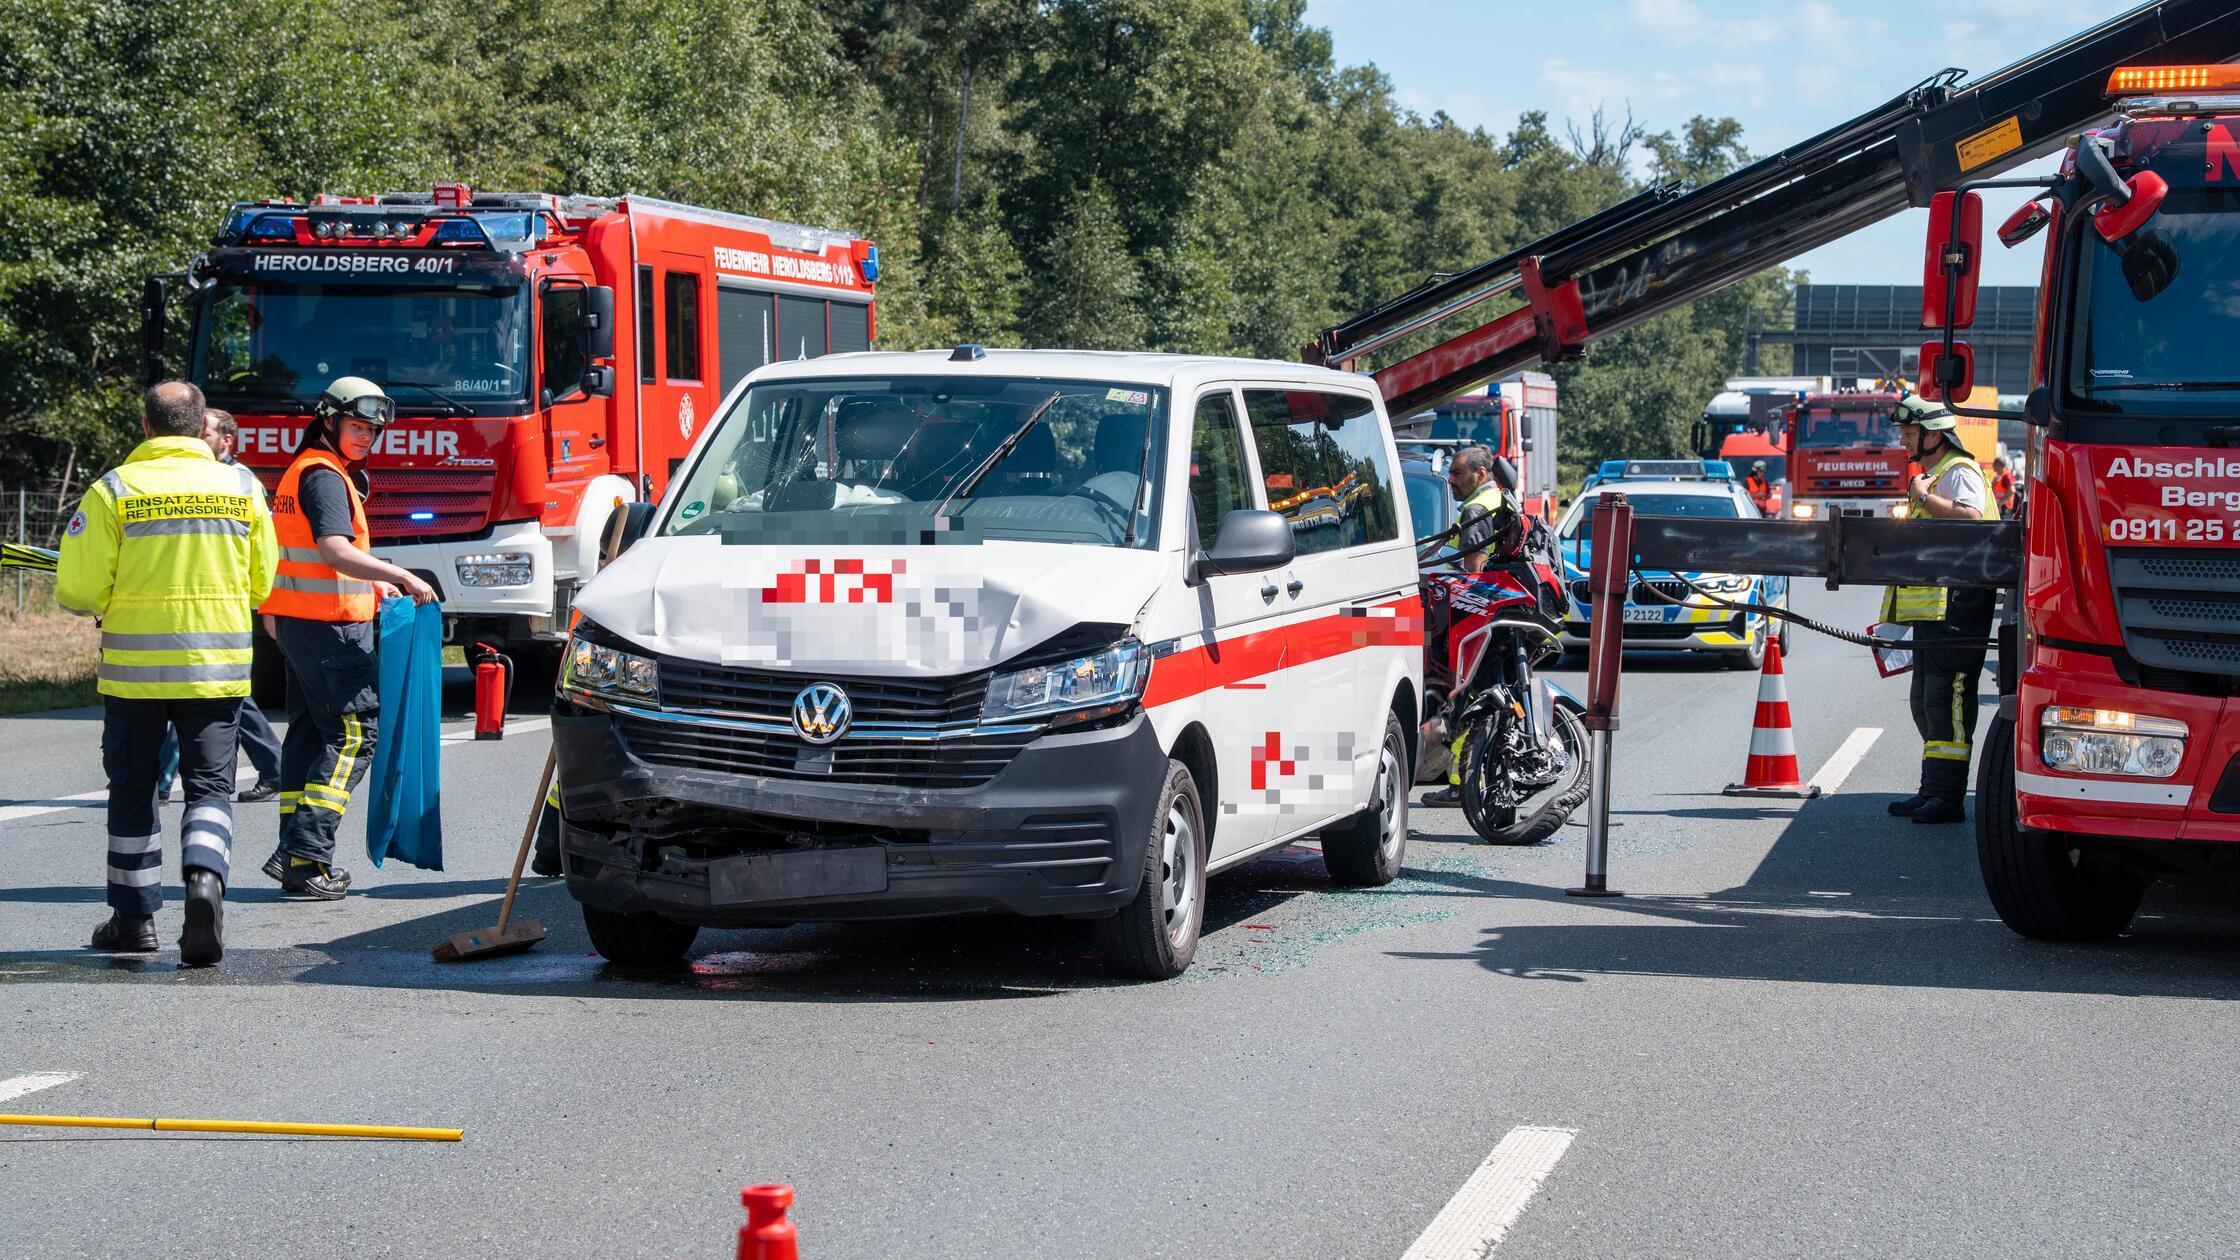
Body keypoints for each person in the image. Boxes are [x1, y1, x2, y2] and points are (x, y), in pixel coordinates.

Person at [55, 381, 277, 965]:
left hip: (135, 675)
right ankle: (204, 883)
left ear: (147, 427)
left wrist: (110, 600)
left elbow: (76, 588)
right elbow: (261, 581)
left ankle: (134, 923)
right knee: (210, 789)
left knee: (133, 791)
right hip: (216, 669)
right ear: (203, 424)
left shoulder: (115, 490)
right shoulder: (242, 486)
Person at [258, 377, 436, 899]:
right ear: (329, 419)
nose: (366, 437)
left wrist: (373, 581)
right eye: (358, 426)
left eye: (373, 431)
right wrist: (398, 574)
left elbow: (311, 558)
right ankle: (308, 850)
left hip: (301, 621)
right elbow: (333, 550)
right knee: (357, 735)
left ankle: (298, 862)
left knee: (312, 735)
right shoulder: (324, 476)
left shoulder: (307, 470)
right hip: (330, 626)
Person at [156, 409, 282, 804]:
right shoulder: (199, 477)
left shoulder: (241, 482)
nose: (197, 438)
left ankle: (159, 779)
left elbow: (261, 550)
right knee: (205, 690)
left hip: (223, 605)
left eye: (204, 432)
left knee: (201, 689)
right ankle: (274, 767)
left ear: (226, 440)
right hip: (197, 603)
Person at [1883, 394, 1998, 826]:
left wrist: (1923, 497)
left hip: (1958, 606)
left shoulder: (1959, 472)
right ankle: (1931, 789)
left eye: (1910, 433)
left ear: (1934, 435)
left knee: (1947, 699)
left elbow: (1971, 519)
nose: (1904, 441)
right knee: (1926, 700)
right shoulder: (1934, 475)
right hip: (1935, 608)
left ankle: (1948, 798)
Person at [1423, 445, 1518, 807]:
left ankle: (1461, 783)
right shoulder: (1503, 500)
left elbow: (1473, 575)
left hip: (1474, 623)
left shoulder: (1476, 509)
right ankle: (1494, 775)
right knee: (1495, 697)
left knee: (1465, 699)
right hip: (1502, 619)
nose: (1451, 479)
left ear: (1481, 474)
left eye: (1458, 473)